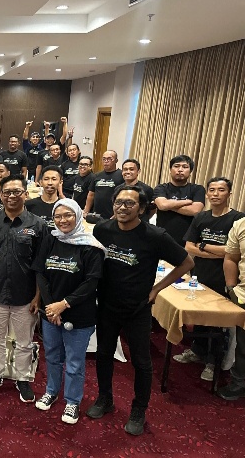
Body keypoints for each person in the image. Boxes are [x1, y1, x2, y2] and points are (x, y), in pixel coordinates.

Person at [86, 185, 193, 436]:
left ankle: (138, 409)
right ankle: (105, 398)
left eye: (129, 203)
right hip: (107, 305)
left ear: (142, 208)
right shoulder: (102, 229)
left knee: (142, 362)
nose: (122, 208)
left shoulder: (155, 235)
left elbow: (187, 262)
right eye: (118, 202)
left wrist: (156, 290)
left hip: (138, 308)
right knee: (104, 354)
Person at [0, 173, 49, 401]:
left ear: (26, 194)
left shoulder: (37, 225)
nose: (11, 196)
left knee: (25, 342)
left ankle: (23, 378)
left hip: (25, 294)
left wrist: (38, 296)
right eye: (6, 192)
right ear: (0, 195)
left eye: (16, 192)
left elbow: (41, 265)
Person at [33, 199, 105, 425]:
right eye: (58, 216)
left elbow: (91, 283)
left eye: (68, 215)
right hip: (51, 313)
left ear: (78, 216)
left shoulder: (91, 246)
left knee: (74, 362)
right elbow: (40, 273)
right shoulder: (50, 239)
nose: (62, 220)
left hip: (79, 314)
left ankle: (72, 401)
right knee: (52, 357)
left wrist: (63, 304)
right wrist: (51, 307)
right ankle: (51, 391)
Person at [176, 177, 245, 380]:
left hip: (224, 277)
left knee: (217, 323)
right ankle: (197, 351)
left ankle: (212, 361)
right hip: (200, 274)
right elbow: (189, 246)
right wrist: (217, 252)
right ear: (207, 194)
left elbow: (232, 252)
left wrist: (204, 246)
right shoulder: (201, 217)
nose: (215, 194)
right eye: (212, 190)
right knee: (199, 317)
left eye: (221, 190)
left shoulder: (237, 219)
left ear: (229, 193)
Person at [154, 155, 205, 245]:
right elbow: (162, 205)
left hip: (188, 241)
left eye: (185, 167)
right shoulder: (161, 188)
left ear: (190, 171)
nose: (180, 170)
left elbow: (195, 210)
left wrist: (168, 205)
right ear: (170, 170)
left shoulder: (198, 189)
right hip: (162, 238)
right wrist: (186, 202)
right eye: (176, 166)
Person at [220, 217, 245, 400]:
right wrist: (231, 289)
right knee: (243, 345)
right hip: (243, 295)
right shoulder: (241, 224)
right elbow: (231, 258)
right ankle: (239, 382)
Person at [84, 150, 124, 219]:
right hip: (96, 214)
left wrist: (117, 213)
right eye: (104, 159)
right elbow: (91, 195)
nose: (106, 161)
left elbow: (124, 197)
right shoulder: (97, 175)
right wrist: (86, 211)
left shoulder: (121, 175)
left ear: (116, 160)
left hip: (113, 215)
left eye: (109, 159)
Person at [25, 165, 62, 230]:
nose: (50, 183)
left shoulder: (64, 206)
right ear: (41, 182)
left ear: (60, 182)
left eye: (54, 179)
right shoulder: (29, 205)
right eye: (46, 179)